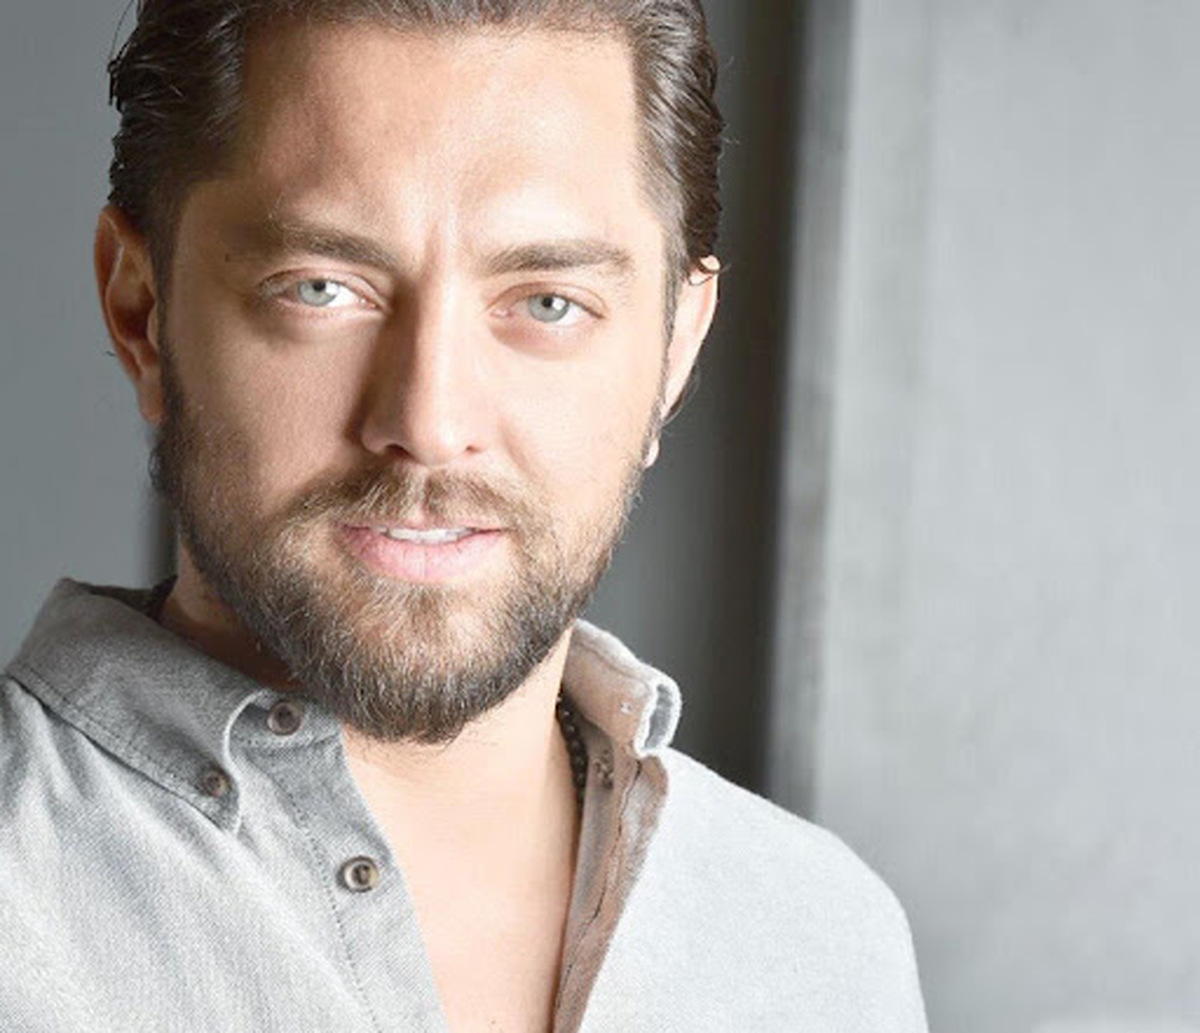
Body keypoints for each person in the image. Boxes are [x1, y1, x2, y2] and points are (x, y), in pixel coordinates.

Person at [0, 2, 927, 1030]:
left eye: (547, 302)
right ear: (141, 313)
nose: (430, 425)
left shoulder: (823, 942)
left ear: (674, 350)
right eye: (321, 287)